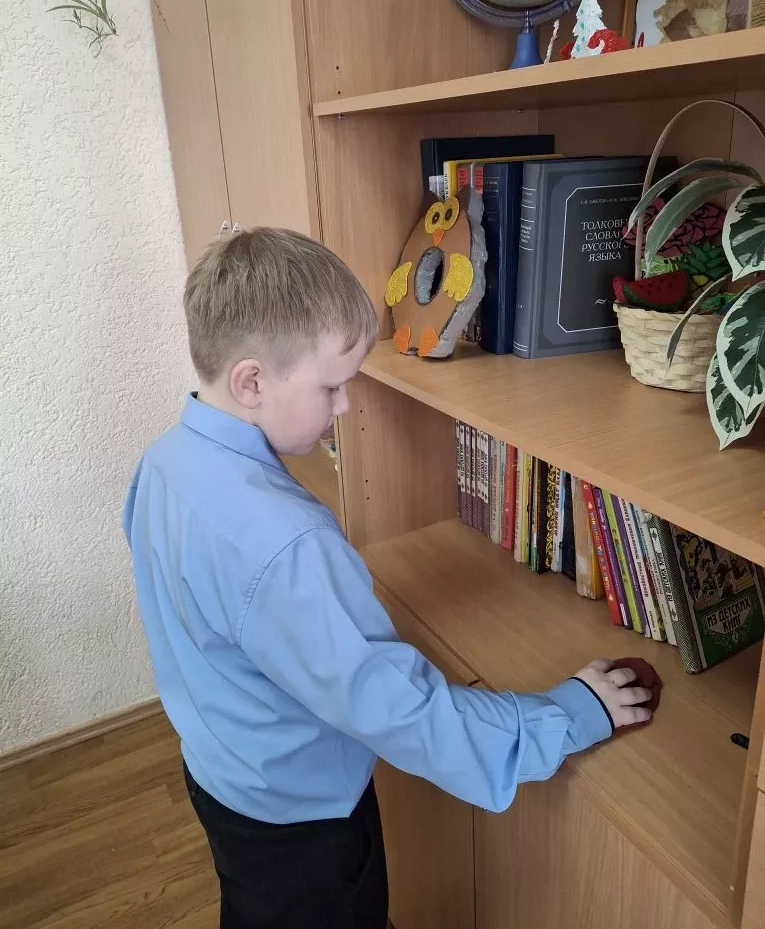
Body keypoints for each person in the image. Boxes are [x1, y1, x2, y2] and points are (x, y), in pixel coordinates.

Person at [123, 228, 652, 929]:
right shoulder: (287, 544)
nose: (344, 406)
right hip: (303, 820)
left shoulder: (162, 464)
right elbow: (403, 713)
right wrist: (568, 714)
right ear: (251, 381)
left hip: (221, 775)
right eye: (331, 386)